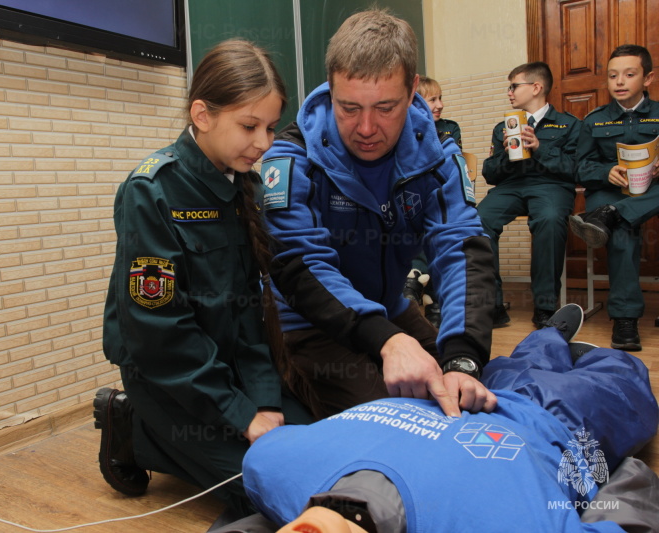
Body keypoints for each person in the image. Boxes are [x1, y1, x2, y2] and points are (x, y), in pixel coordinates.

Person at [95, 39, 312, 517]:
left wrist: (264, 399)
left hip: (224, 367)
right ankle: (135, 426)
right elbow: (159, 336)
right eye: (250, 126)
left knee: (312, 449)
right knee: (266, 486)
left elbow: (248, 314)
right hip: (168, 375)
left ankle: (170, 435)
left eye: (272, 128)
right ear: (202, 114)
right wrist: (240, 414)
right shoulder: (151, 191)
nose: (264, 144)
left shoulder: (242, 184)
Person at [223, 304, 659, 533]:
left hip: (471, 393)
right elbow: (629, 504)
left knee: (522, 359)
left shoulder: (274, 464)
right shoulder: (496, 521)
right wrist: (612, 471)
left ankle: (550, 338)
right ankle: (576, 352)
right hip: (556, 417)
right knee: (624, 375)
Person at [260, 9, 496, 421]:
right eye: (348, 108)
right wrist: (387, 341)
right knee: (400, 420)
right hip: (306, 322)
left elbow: (460, 250)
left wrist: (462, 357)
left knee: (469, 391)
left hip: (387, 307)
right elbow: (299, 265)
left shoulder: (438, 156)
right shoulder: (290, 158)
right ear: (330, 88)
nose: (366, 127)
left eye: (385, 107)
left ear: (413, 90)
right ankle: (280, 386)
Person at [478, 62, 580, 329]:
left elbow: (577, 170)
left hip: (551, 187)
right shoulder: (504, 125)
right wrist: (507, 154)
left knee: (548, 219)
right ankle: (493, 304)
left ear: (536, 87)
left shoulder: (568, 125)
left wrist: (539, 147)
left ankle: (546, 306)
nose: (509, 92)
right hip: (511, 186)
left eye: (514, 86)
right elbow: (490, 173)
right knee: (479, 220)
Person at [570, 44, 659, 351]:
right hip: (609, 191)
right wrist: (605, 171)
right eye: (613, 76)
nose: (619, 82)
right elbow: (580, 168)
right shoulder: (594, 120)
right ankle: (625, 319)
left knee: (616, 218)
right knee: (622, 230)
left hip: (652, 190)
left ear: (647, 78)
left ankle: (611, 214)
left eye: (629, 74)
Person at [403, 76, 464, 328]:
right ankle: (426, 294)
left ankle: (420, 285)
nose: (439, 105)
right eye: (432, 99)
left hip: (440, 196)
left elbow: (452, 172)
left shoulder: (449, 129)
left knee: (439, 226)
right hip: (413, 198)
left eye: (441, 98)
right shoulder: (403, 133)